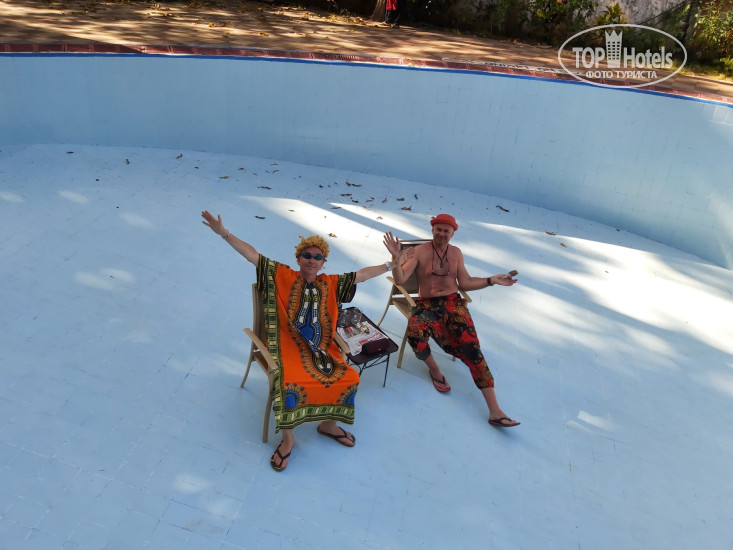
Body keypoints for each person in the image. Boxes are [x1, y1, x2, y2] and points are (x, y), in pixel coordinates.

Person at [201, 210, 413, 471]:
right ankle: (288, 440)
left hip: (322, 350)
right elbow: (252, 255)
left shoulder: (331, 284)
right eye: (307, 256)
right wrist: (224, 234)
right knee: (289, 383)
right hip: (286, 348)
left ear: (323, 263)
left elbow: (362, 275)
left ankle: (328, 425)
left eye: (318, 257)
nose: (312, 260)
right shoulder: (282, 275)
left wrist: (391, 264)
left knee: (349, 377)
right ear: (298, 258)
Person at [383, 213, 520, 428]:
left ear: (452, 233)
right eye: (438, 229)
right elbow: (400, 279)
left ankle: (495, 411)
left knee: (472, 348)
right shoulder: (419, 252)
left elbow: (465, 282)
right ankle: (434, 369)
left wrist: (491, 280)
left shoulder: (456, 253)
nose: (442, 233)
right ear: (432, 230)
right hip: (427, 304)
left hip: (453, 303)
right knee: (415, 334)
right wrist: (395, 259)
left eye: (446, 231)